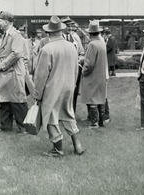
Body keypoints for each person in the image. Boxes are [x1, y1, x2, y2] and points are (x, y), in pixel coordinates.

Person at [33, 16, 84, 157]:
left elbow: (41, 75)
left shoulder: (47, 49)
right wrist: (72, 85)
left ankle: (58, 148)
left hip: (52, 88)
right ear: (61, 30)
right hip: (68, 86)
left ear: (48, 33)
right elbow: (76, 69)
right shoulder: (71, 47)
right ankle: (77, 145)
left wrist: (37, 94)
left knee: (50, 116)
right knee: (68, 114)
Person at [0, 11, 28, 135]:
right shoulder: (3, 36)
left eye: (0, 20)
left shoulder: (16, 35)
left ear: (6, 22)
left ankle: (24, 128)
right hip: (5, 72)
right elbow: (2, 54)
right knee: (4, 99)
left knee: (18, 100)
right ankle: (6, 127)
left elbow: (16, 53)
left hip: (13, 71)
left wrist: (1, 65)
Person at [80, 20, 109, 129]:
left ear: (90, 33)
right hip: (100, 75)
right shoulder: (101, 43)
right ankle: (102, 120)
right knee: (100, 98)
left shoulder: (92, 44)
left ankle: (94, 122)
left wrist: (83, 71)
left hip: (92, 76)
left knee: (92, 99)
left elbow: (89, 63)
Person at [61, 16, 84, 113]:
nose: (70, 28)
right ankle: (61, 114)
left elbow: (82, 53)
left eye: (71, 26)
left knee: (73, 92)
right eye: (68, 26)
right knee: (62, 93)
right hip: (62, 70)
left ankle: (72, 113)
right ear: (62, 27)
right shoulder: (59, 38)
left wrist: (78, 60)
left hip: (75, 70)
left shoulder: (75, 38)